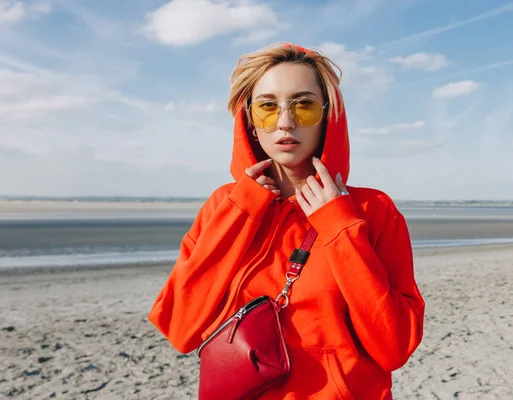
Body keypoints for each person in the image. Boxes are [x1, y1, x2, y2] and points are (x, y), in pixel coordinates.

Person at [148, 42, 425, 399]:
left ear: (328, 115)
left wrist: (339, 225)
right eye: (267, 106)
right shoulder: (224, 206)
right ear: (248, 118)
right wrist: (243, 210)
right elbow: (180, 328)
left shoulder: (373, 210)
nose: (285, 121)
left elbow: (395, 347)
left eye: (304, 104)